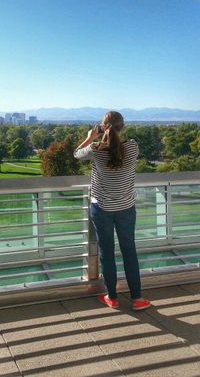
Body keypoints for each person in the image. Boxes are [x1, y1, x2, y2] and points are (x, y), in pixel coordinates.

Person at [74, 111, 151, 311]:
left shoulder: (95, 149)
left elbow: (76, 154)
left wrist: (91, 136)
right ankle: (137, 299)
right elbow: (118, 148)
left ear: (103, 127)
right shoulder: (132, 147)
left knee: (107, 252)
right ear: (122, 126)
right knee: (129, 251)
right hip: (126, 208)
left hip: (101, 209)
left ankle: (112, 297)